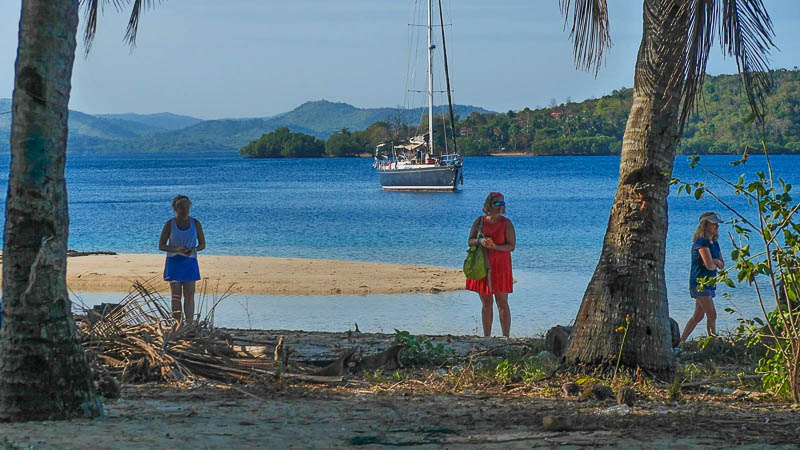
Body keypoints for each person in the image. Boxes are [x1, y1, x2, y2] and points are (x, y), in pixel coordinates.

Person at [466, 192, 516, 337]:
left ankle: (505, 337)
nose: (501, 206)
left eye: (503, 203)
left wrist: (495, 247)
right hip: (482, 265)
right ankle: (486, 337)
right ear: (489, 204)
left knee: (502, 303)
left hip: (501, 266)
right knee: (486, 303)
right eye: (497, 203)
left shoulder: (506, 223)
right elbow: (470, 240)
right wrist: (480, 241)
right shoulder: (480, 221)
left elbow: (511, 246)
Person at [159, 195, 206, 325]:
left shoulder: (195, 223)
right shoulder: (170, 224)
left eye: (186, 207)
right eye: (181, 208)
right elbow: (161, 245)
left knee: (190, 295)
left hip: (190, 262)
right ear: (175, 209)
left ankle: (189, 324)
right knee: (176, 296)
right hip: (174, 262)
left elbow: (202, 244)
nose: (184, 210)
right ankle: (177, 325)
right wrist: (177, 249)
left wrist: (193, 250)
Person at [680, 211, 724, 343]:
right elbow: (710, 265)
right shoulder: (701, 242)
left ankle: (681, 342)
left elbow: (722, 264)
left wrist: (715, 262)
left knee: (698, 316)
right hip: (700, 283)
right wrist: (715, 262)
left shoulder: (714, 243)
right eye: (713, 223)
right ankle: (712, 342)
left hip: (710, 282)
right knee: (712, 314)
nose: (716, 226)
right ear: (705, 225)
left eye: (717, 224)